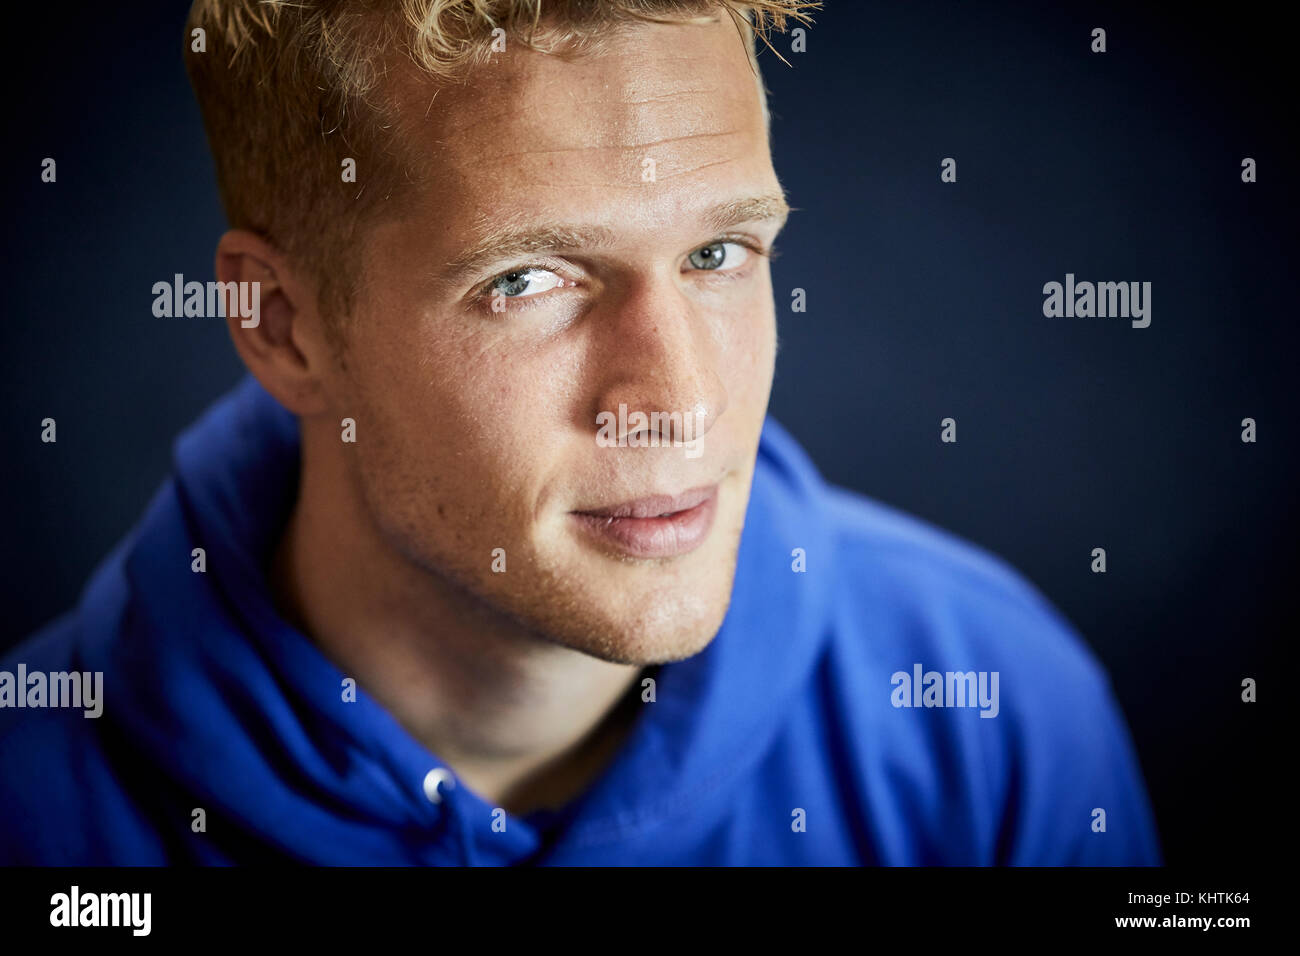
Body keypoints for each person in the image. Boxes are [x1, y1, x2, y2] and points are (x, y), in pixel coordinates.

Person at [0, 0, 1159, 865]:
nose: (680, 398)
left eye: (718, 254)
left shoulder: (990, 709)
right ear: (283, 324)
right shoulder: (32, 805)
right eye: (528, 279)